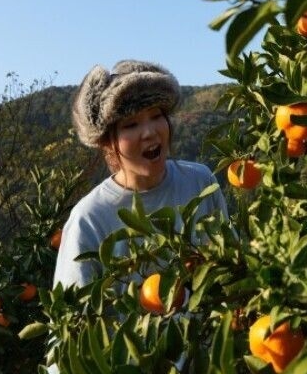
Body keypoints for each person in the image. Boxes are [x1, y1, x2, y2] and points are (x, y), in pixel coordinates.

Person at [52, 59, 229, 290]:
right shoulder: (89, 219)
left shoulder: (200, 182)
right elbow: (71, 318)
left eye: (156, 116)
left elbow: (230, 268)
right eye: (131, 124)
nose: (149, 132)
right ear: (107, 141)